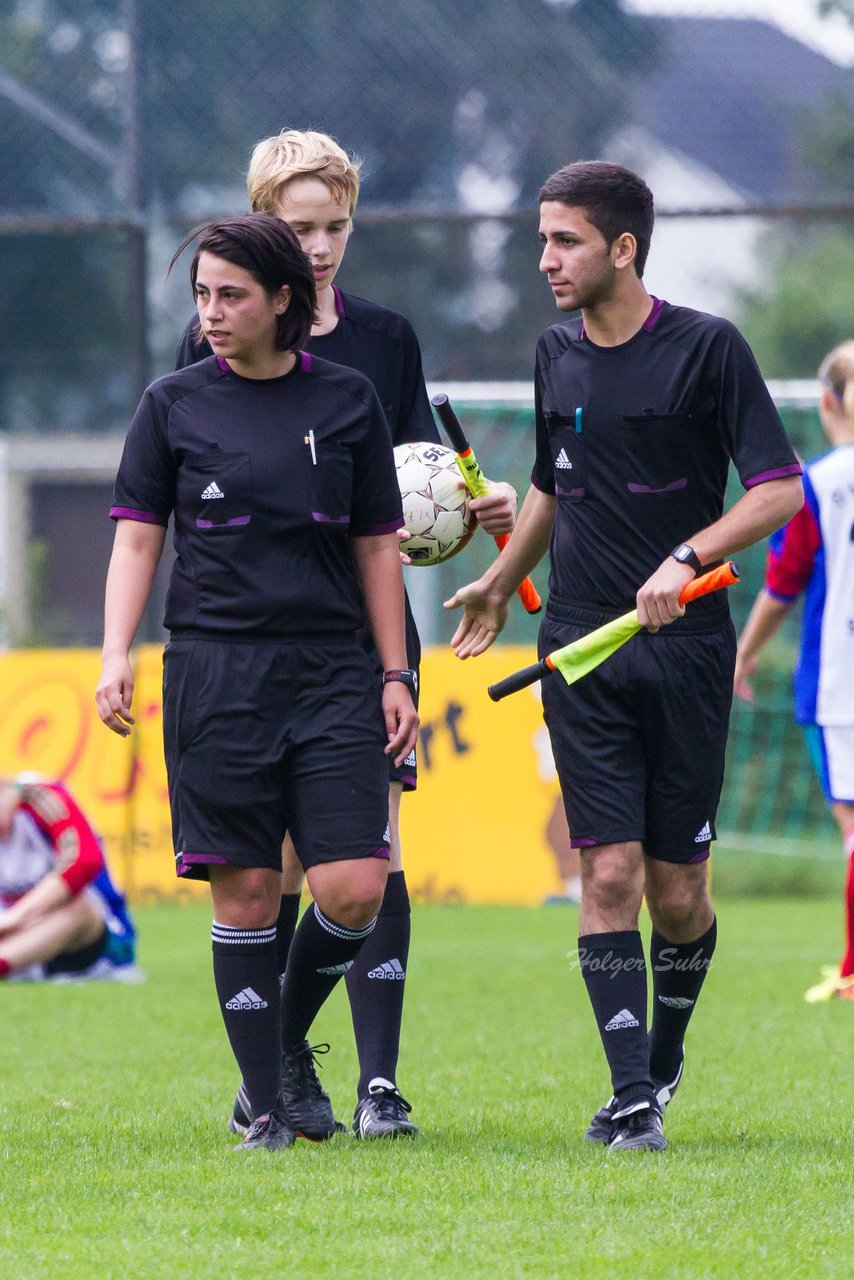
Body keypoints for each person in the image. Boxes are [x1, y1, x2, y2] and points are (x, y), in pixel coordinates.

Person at [445, 161, 803, 1151]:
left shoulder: (708, 349)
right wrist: (497, 576)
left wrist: (687, 555)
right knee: (605, 873)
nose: (544, 259)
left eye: (562, 241)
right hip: (579, 648)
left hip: (685, 646)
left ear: (623, 248)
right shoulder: (553, 353)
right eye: (541, 239)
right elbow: (554, 483)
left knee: (676, 889)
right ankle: (630, 1096)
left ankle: (663, 1055)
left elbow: (776, 489)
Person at [175, 129, 516, 1139]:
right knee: (282, 862)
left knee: (375, 848)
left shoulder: (386, 337)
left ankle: (377, 1082)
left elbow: (410, 479)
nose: (318, 247)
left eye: (334, 226)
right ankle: (281, 1058)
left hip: (365, 634)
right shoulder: (215, 335)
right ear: (258, 224)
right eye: (296, 225)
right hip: (258, 638)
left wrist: (475, 499)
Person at [97, 213, 419, 1152]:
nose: (211, 313)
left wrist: (394, 670)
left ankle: (277, 1041)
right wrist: (116, 650)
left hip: (332, 671)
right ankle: (267, 1111)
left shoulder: (351, 398)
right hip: (216, 673)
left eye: (230, 294)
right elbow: (135, 534)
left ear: (285, 300)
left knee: (355, 885)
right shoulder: (172, 403)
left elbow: (378, 548)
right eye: (201, 294)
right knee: (242, 896)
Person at [734, 340, 854, 1003]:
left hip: (843, 679)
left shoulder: (823, 481)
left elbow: (784, 579)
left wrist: (745, 652)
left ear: (827, 400)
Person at [0, 774, 136, 982]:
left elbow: (85, 861)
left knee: (79, 906)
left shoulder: (40, 798)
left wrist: (17, 917)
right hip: (19, 941)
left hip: (91, 944)